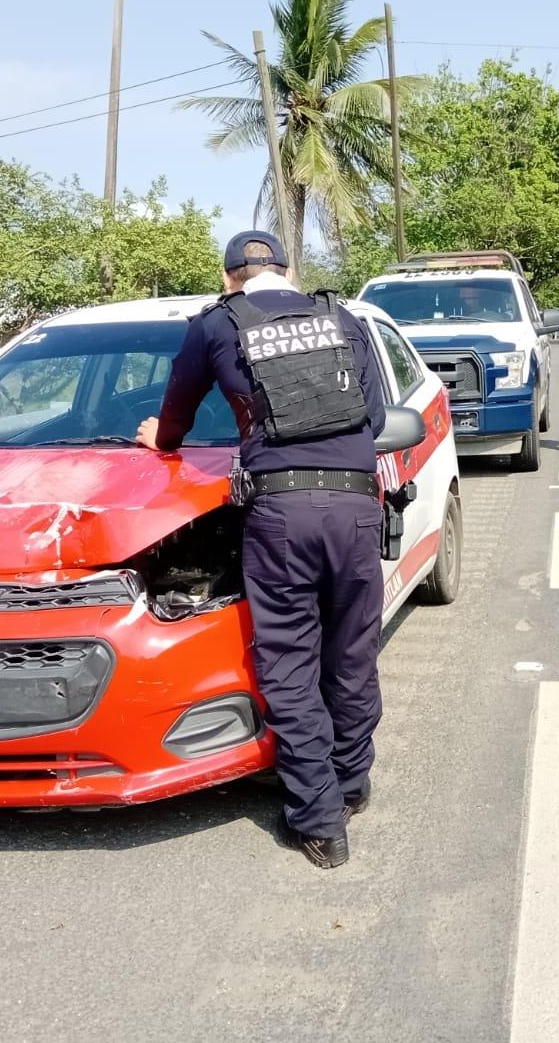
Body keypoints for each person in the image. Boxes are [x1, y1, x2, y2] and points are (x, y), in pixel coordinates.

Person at [135, 230, 388, 870]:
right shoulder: (342, 317)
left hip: (280, 519)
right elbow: (376, 419)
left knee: (289, 665)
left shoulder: (216, 325)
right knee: (352, 655)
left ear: (230, 279)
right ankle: (351, 783)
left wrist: (155, 438)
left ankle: (320, 819)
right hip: (358, 508)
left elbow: (177, 419)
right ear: (287, 270)